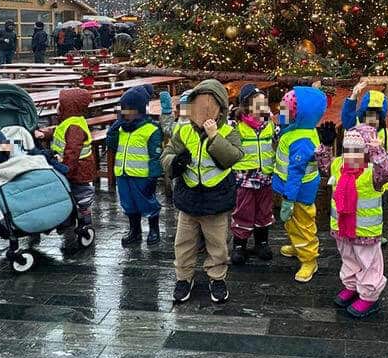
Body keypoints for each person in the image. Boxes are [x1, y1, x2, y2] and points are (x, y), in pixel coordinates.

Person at [162, 79, 242, 304]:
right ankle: (183, 278)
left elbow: (233, 157)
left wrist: (215, 137)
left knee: (217, 244)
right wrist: (175, 162)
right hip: (188, 199)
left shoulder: (228, 131)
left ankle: (217, 278)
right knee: (184, 243)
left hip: (215, 201)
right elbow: (167, 154)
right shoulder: (184, 131)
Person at [319, 123, 388, 319]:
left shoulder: (372, 173)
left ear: (366, 152)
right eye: (347, 150)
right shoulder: (338, 166)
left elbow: (386, 173)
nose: (351, 155)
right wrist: (326, 145)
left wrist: (378, 152)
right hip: (342, 227)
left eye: (357, 151)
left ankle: (370, 295)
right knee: (348, 258)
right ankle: (351, 285)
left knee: (368, 262)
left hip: (365, 230)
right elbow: (325, 167)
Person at [273, 85, 327, 283]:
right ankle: (298, 247)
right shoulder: (298, 129)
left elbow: (295, 173)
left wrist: (288, 199)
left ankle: (309, 259)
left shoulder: (302, 140)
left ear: (299, 115)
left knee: (303, 224)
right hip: (289, 188)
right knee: (292, 222)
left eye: (285, 110)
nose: (281, 113)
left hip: (298, 191)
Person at [105, 86, 164, 250]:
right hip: (123, 174)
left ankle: (153, 229)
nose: (125, 114)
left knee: (147, 203)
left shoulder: (151, 129)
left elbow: (155, 156)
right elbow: (111, 144)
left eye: (129, 110)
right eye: (123, 110)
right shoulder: (121, 128)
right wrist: (114, 128)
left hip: (142, 176)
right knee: (128, 204)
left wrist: (154, 176)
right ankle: (135, 230)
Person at [231, 84, 275, 265]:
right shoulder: (236, 125)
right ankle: (239, 245)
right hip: (245, 177)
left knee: (264, 210)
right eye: (258, 104)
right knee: (243, 210)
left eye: (264, 103)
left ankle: (261, 242)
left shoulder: (270, 124)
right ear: (247, 106)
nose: (262, 108)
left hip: (265, 176)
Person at [49, 87, 96, 247]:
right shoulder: (70, 122)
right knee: (69, 192)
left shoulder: (74, 126)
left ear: (69, 106)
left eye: (59, 103)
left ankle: (85, 218)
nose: (57, 106)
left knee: (80, 193)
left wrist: (66, 169)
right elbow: (59, 133)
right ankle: (69, 217)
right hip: (72, 167)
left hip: (77, 169)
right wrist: (47, 134)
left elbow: (72, 151)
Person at [341, 80, 388, 152]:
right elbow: (347, 116)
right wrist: (353, 96)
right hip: (352, 160)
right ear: (363, 116)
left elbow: (382, 158)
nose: (371, 120)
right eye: (369, 115)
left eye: (375, 116)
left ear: (380, 119)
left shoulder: (384, 135)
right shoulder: (355, 125)